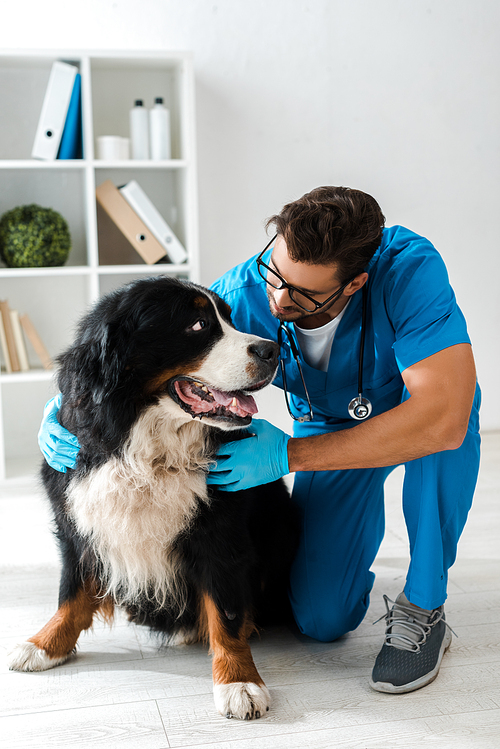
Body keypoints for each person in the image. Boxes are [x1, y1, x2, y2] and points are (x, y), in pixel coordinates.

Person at [39, 186, 480, 695]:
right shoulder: (248, 288)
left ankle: (424, 605)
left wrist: (288, 455)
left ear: (355, 283)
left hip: (420, 417)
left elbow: (442, 415)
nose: (277, 299)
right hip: (330, 424)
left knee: (448, 436)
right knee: (321, 619)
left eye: (304, 294)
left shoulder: (410, 272)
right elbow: (143, 351)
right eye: (276, 273)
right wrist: (68, 404)